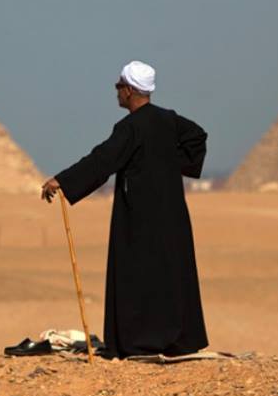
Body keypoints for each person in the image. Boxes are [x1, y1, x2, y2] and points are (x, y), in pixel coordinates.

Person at [41, 61, 209, 359]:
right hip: (171, 215)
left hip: (139, 217)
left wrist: (62, 180)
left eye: (119, 86)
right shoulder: (169, 120)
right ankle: (177, 340)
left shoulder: (130, 127)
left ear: (130, 90)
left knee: (137, 274)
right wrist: (173, 163)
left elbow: (102, 160)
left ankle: (137, 342)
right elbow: (197, 136)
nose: (116, 91)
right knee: (170, 273)